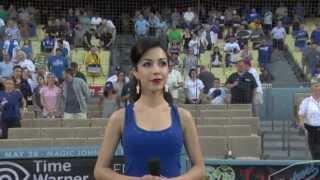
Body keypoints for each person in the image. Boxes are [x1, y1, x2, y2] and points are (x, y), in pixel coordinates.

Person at [94, 38, 205, 179]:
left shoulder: (184, 117)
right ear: (136, 71)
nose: (156, 70)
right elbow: (100, 171)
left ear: (168, 69)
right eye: (147, 64)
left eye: (162, 64)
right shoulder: (119, 118)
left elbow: (200, 169)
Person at [298, 81, 320, 159]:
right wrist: (301, 123)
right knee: (316, 152)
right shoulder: (306, 101)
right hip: (311, 129)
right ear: (312, 89)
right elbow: (301, 114)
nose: (318, 89)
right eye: (316, 86)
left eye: (319, 87)